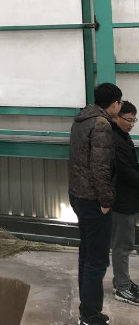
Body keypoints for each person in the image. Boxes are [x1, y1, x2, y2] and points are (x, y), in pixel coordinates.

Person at [68, 82, 122, 325]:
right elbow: (100, 168)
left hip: (78, 195)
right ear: (114, 103)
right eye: (120, 102)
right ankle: (90, 315)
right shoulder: (101, 125)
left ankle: (87, 310)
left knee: (87, 253)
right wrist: (106, 200)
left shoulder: (81, 120)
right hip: (93, 200)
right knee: (97, 260)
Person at [111, 100, 139, 305]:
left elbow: (132, 166)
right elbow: (125, 172)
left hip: (129, 198)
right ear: (116, 117)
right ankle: (122, 288)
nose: (131, 124)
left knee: (125, 243)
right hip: (121, 201)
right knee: (123, 245)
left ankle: (122, 281)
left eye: (134, 120)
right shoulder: (115, 139)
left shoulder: (123, 137)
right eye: (128, 120)